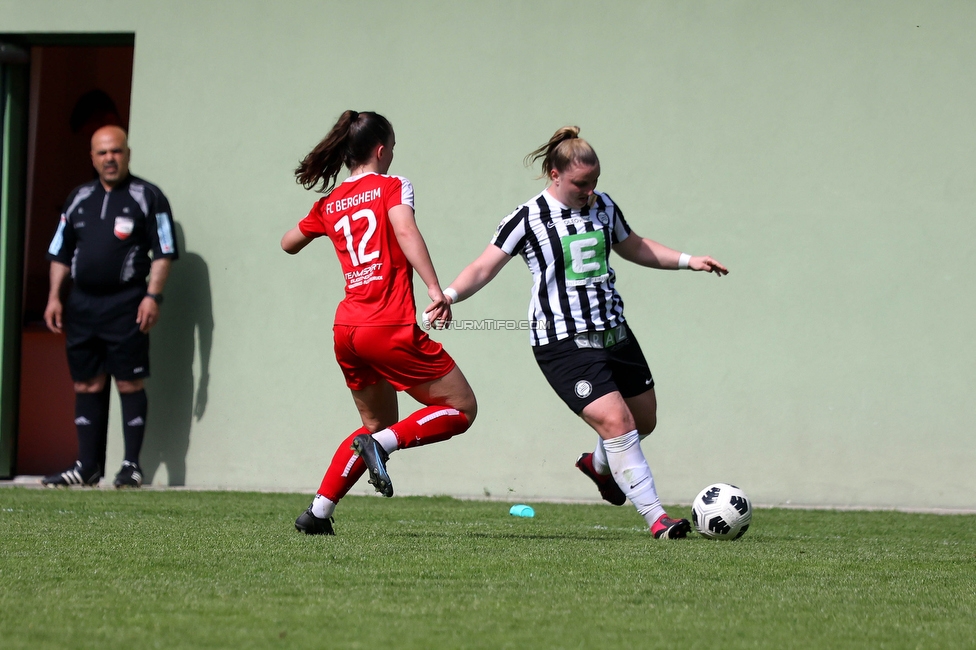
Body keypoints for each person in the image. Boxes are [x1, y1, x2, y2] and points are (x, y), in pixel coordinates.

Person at [431, 126, 727, 539]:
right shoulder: (527, 218)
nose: (589, 191)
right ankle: (657, 518)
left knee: (644, 420)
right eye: (580, 183)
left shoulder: (603, 206)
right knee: (618, 422)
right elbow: (484, 266)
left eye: (594, 182)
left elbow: (634, 245)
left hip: (613, 331)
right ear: (554, 174)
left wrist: (687, 260)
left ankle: (599, 465)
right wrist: (448, 295)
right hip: (563, 341)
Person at [281, 110, 477, 536]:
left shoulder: (329, 203)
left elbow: (288, 243)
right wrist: (434, 288)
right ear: (381, 149)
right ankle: (380, 447)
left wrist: (322, 223)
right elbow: (404, 230)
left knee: (376, 424)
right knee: (461, 408)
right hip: (386, 325)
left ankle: (318, 513)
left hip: (347, 331)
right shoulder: (391, 185)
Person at [42, 125, 178, 489]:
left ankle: (130, 467)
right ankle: (86, 466)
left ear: (127, 153)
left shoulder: (148, 196)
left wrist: (153, 296)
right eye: (102, 153)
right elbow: (59, 251)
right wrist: (55, 296)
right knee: (86, 383)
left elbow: (164, 251)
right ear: (92, 157)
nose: (109, 159)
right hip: (82, 305)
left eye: (116, 151)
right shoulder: (78, 198)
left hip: (127, 304)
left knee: (129, 382)